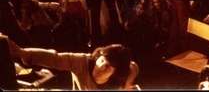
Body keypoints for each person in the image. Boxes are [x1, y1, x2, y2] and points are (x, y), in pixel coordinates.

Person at [3, 34, 139, 90]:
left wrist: (128, 84)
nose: (101, 66)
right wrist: (23, 53)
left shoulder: (122, 75)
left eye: (109, 66)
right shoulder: (82, 62)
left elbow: (134, 67)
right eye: (102, 60)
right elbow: (56, 58)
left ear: (117, 71)